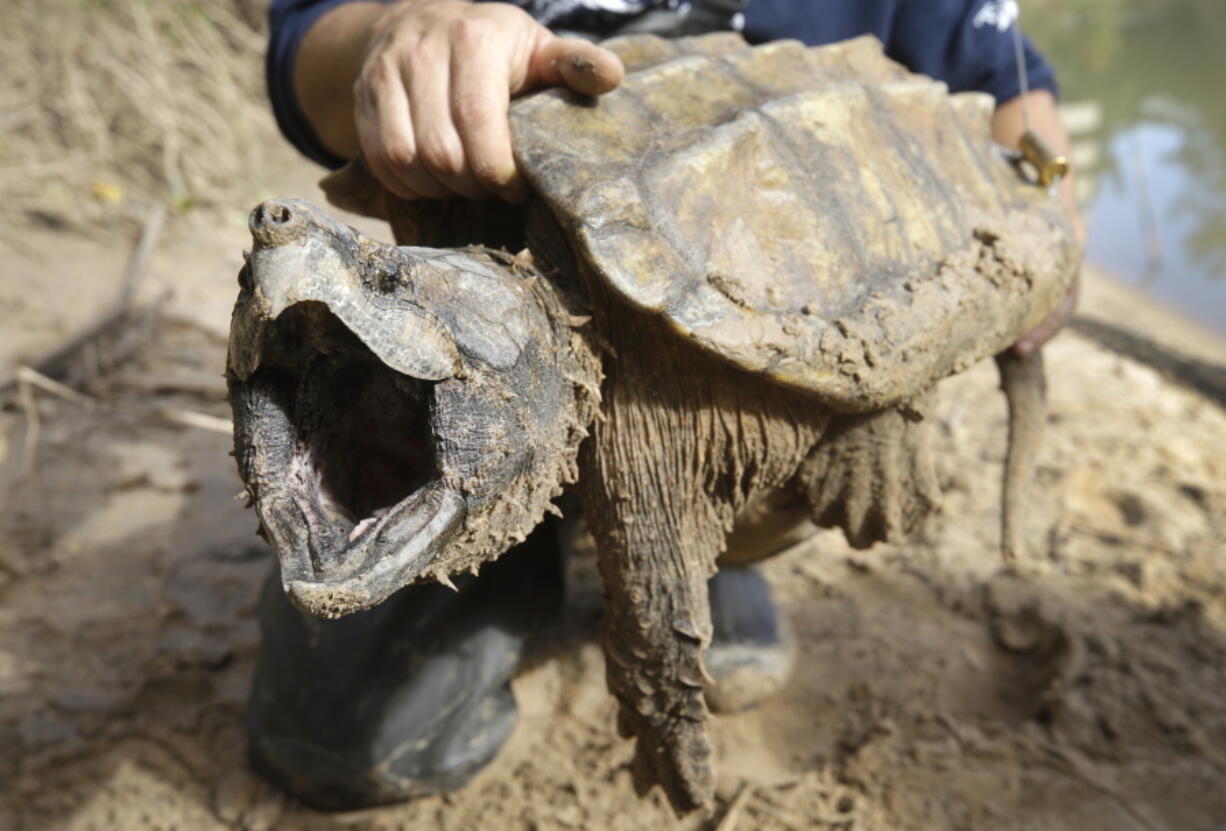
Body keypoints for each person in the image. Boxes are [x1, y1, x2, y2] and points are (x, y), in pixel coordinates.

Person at [251, 0, 1082, 810]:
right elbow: (304, 41)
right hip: (489, 196)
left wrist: (1043, 228)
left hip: (757, 340)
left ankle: (729, 543)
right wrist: (390, 35)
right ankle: (495, 510)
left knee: (679, 495)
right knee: (337, 735)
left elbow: (1006, 85)